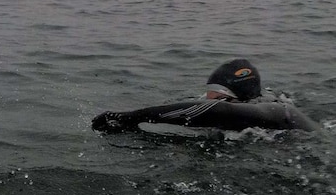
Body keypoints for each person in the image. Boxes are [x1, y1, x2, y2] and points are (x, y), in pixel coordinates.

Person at [91, 59, 317, 133]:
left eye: (216, 96)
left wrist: (132, 117)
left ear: (235, 96)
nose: (208, 100)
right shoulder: (269, 106)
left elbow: (218, 112)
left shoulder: (276, 110)